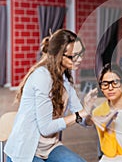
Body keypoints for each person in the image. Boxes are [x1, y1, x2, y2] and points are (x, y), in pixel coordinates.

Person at [5, 29, 97, 162]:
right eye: (73, 56)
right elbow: (46, 128)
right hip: (26, 150)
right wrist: (81, 113)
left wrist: (92, 116)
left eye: (81, 54)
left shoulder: (65, 79)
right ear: (58, 55)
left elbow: (81, 118)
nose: (80, 59)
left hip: (49, 147)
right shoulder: (42, 77)